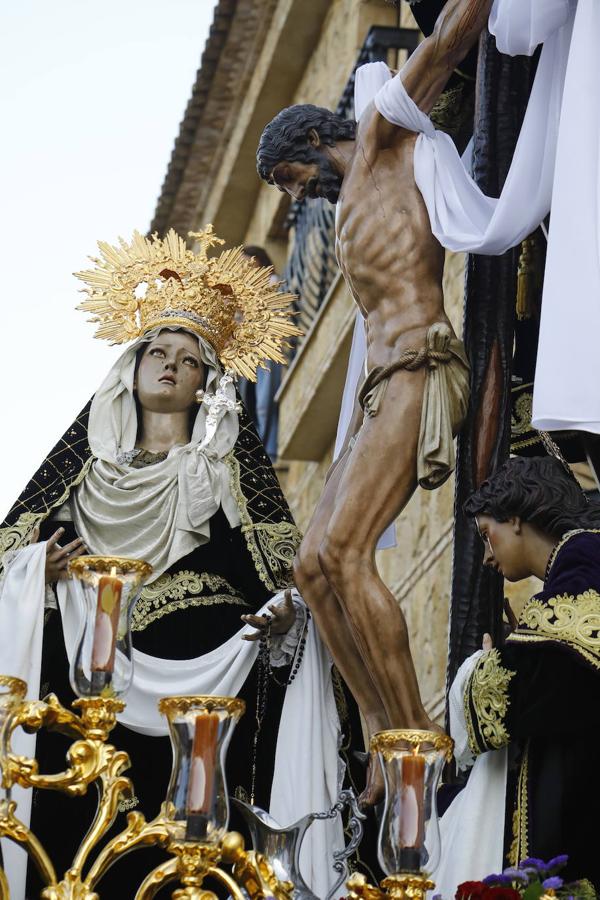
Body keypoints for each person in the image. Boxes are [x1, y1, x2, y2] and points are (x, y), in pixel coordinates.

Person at [0, 227, 364, 899]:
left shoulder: (225, 472)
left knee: (187, 851)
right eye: (157, 353)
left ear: (207, 381)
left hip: (205, 686)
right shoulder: (80, 477)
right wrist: (35, 573)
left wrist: (286, 614)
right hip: (85, 694)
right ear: (130, 369)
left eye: (188, 359)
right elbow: (9, 560)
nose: (170, 365)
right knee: (78, 841)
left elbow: (285, 582)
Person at [256, 0, 497, 803]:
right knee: (313, 564)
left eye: (291, 181)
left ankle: (414, 736)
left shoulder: (383, 138)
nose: (298, 200)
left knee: (349, 555)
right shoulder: (353, 195)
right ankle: (377, 735)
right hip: (377, 388)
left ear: (305, 145)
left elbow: (443, 42)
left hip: (418, 368)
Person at [434, 455, 600, 895]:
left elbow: (535, 676)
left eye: (489, 536)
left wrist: (480, 668)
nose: (488, 557)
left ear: (516, 519)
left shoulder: (586, 557)